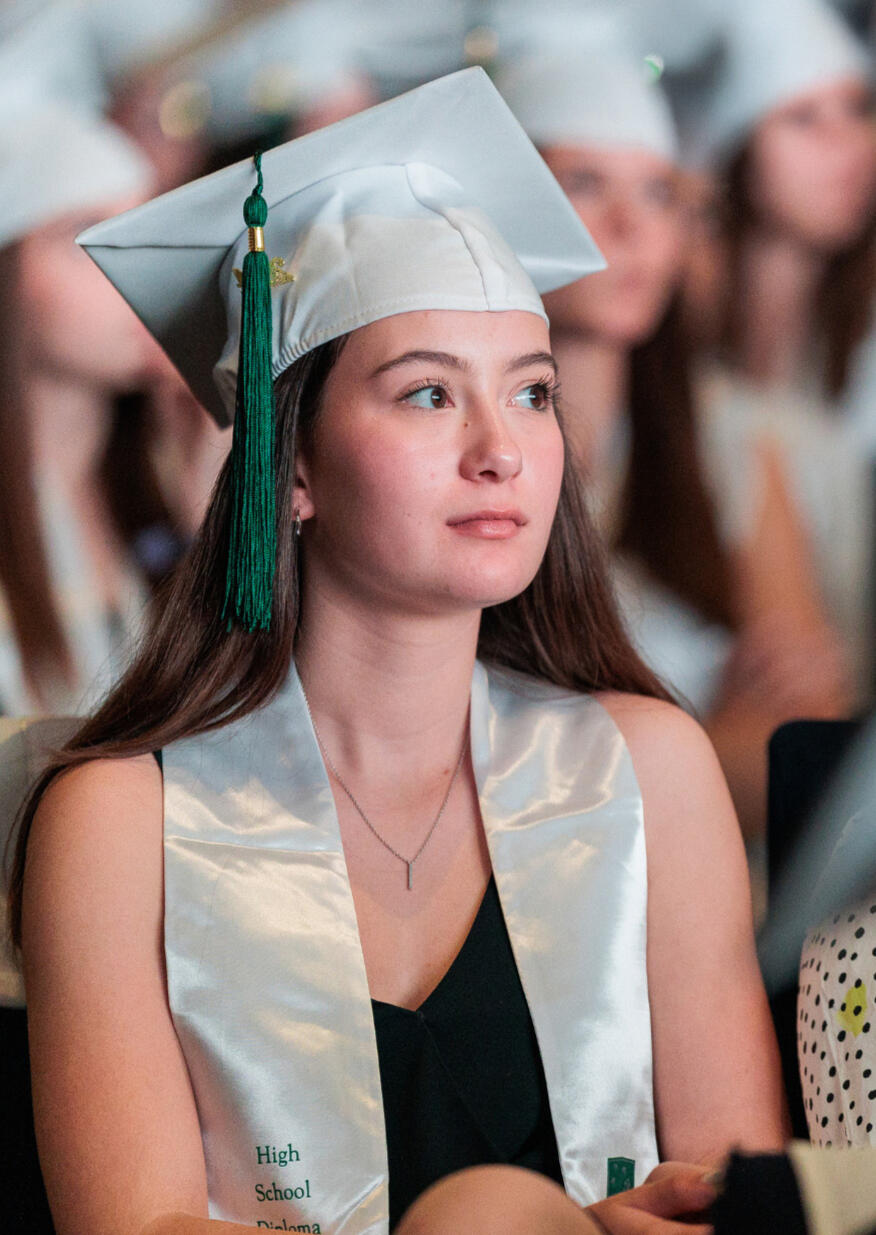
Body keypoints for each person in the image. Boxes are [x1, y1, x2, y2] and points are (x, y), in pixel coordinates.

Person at [6, 69, 786, 1235]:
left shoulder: (645, 771)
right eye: (428, 394)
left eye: (533, 394)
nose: (500, 449)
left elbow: (738, 1194)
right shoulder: (123, 822)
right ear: (294, 466)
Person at [497, 46, 847, 848]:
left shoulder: (725, 443)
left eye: (658, 193)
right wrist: (711, 735)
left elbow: (799, 730)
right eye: (585, 183)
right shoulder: (475, 450)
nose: (632, 229)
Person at [681, 0, 876, 703]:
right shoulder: (675, 363)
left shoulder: (860, 349)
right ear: (733, 149)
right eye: (803, 118)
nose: (848, 144)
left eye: (859, 109)